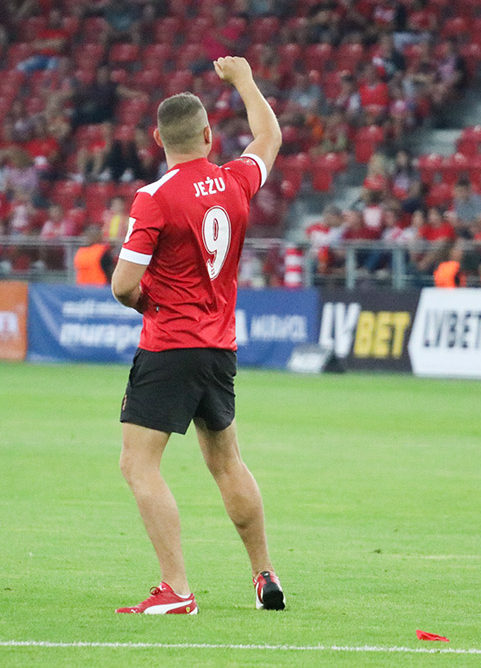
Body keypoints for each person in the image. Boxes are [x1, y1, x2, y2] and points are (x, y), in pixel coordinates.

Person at [111, 56, 286, 615]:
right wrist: (244, 81)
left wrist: (146, 304)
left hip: (169, 345)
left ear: (157, 139)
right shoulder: (235, 181)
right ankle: (264, 574)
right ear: (209, 135)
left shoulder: (155, 197)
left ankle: (177, 589)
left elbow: (122, 284)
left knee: (139, 465)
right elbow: (269, 137)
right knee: (228, 462)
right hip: (218, 347)